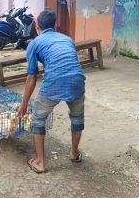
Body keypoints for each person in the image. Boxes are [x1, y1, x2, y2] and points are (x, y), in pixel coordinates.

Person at [17, 10, 85, 174]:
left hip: (54, 81)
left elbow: (32, 77)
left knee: (38, 120)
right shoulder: (68, 39)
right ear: (55, 25)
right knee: (77, 118)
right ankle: (74, 153)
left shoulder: (34, 43)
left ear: (36, 25)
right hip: (77, 80)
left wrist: (24, 104)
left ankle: (40, 162)